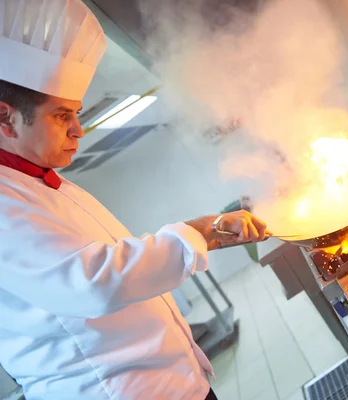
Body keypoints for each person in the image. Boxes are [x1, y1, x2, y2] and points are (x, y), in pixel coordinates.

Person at [0, 1, 267, 399]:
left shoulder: (44, 184)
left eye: (76, 113)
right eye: (61, 116)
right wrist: (198, 233)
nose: (78, 130)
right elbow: (92, 283)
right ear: (6, 118)